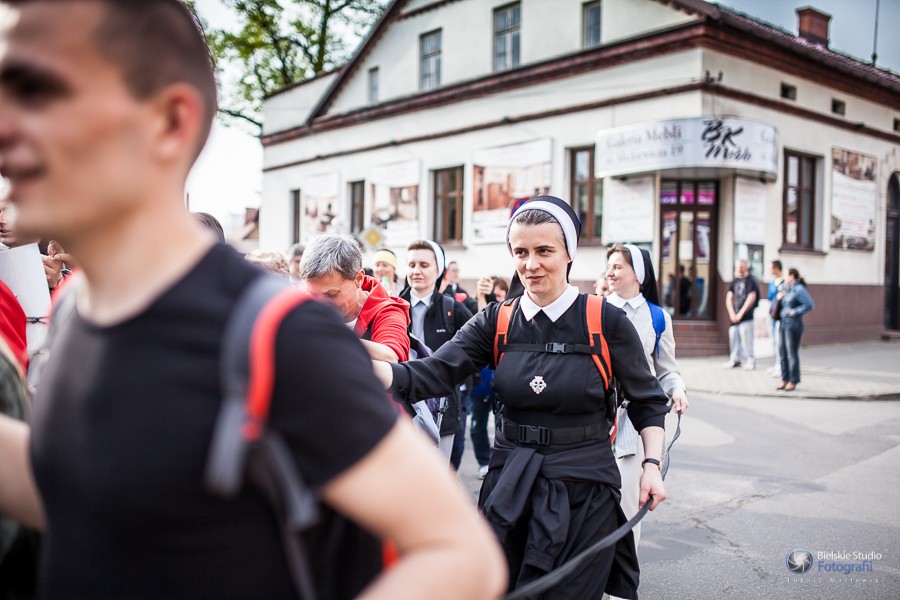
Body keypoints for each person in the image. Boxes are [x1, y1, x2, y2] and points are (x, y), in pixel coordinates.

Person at [0, 2, 505, 598]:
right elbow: (85, 498)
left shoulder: (274, 333)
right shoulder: (75, 305)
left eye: (40, 92)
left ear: (168, 122)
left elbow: (461, 554)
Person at [373, 197, 668, 599]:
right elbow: (434, 372)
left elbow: (647, 400)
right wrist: (360, 367)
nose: (531, 264)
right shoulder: (497, 319)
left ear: (569, 254)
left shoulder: (605, 320)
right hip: (510, 485)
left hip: (584, 489)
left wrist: (651, 465)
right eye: (521, 252)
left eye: (544, 251)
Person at [605, 244, 687, 560]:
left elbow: (666, 369)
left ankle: (623, 576)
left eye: (617, 266)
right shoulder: (595, 308)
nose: (610, 273)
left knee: (628, 499)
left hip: (632, 419)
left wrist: (677, 389)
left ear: (638, 274)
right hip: (594, 416)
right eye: (609, 266)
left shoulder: (657, 317)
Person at [399, 240, 473, 463]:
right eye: (411, 265)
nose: (416, 271)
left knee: (440, 473)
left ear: (438, 270)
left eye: (424, 265)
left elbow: (473, 354)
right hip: (401, 409)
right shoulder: (392, 307)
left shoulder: (454, 310)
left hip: (443, 411)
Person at [301, 233, 409, 364]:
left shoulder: (387, 311)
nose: (321, 304)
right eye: (313, 294)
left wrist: (332, 337)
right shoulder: (300, 306)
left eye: (332, 294)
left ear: (358, 279)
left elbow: (390, 356)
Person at [776, 268, 815, 391]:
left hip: (793, 324)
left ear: (792, 276)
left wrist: (795, 311)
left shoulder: (799, 289)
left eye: (786, 275)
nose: (784, 277)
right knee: (782, 351)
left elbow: (809, 305)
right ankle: (784, 378)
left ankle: (793, 380)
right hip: (783, 322)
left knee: (791, 353)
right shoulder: (787, 288)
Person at [723, 259, 759, 370]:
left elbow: (751, 297)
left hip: (746, 317)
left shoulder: (751, 281)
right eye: (737, 267)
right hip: (734, 317)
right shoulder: (735, 281)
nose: (739, 269)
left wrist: (741, 314)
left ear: (746, 267)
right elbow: (729, 297)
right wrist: (732, 314)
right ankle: (735, 360)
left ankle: (750, 360)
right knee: (734, 338)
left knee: (747, 339)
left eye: (741, 267)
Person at [767, 259, 786, 377]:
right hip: (772, 315)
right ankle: (777, 363)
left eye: (770, 268)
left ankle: (781, 365)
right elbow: (770, 299)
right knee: (774, 341)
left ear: (776, 268)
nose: (769, 270)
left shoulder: (785, 282)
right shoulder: (772, 282)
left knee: (779, 341)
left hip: (780, 316)